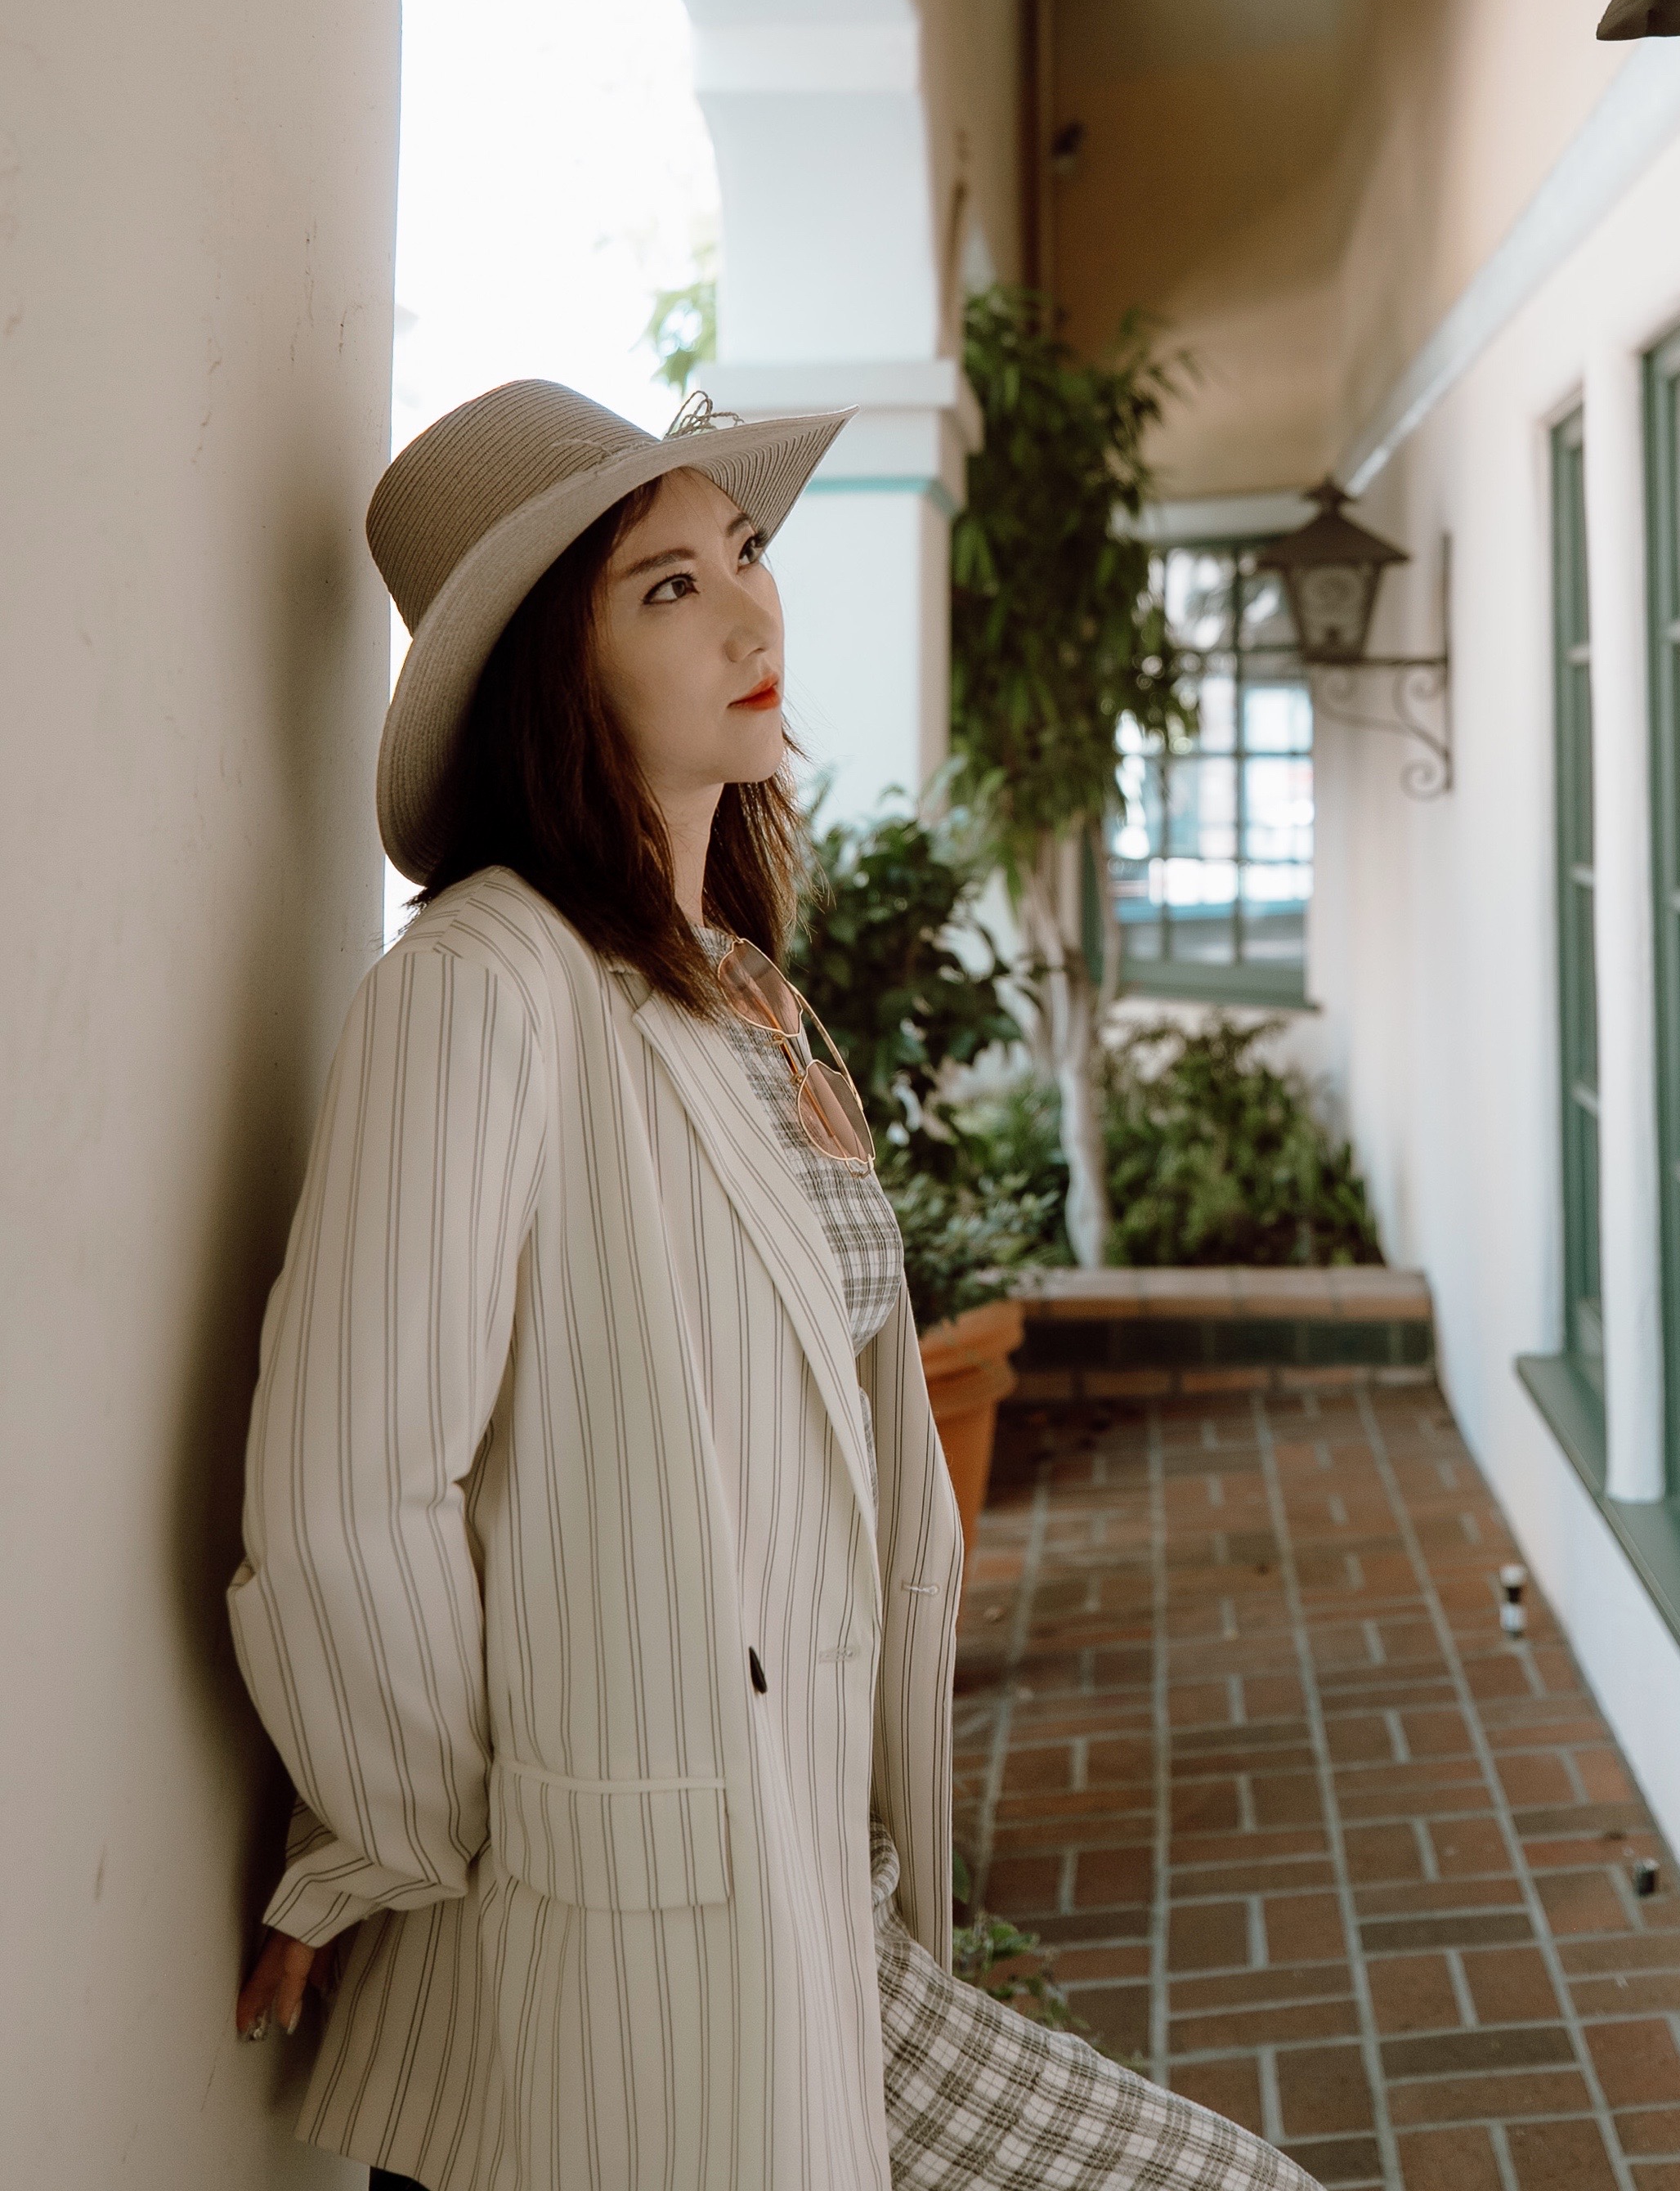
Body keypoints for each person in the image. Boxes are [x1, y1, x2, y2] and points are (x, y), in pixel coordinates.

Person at [229, 379, 1314, 2191]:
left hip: (820, 1889)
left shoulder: (736, 984)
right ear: (550, 677)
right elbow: (353, 1485)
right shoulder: (485, 986)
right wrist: (398, 1837)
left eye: (742, 553)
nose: (752, 615)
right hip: (630, 1918)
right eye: (668, 589)